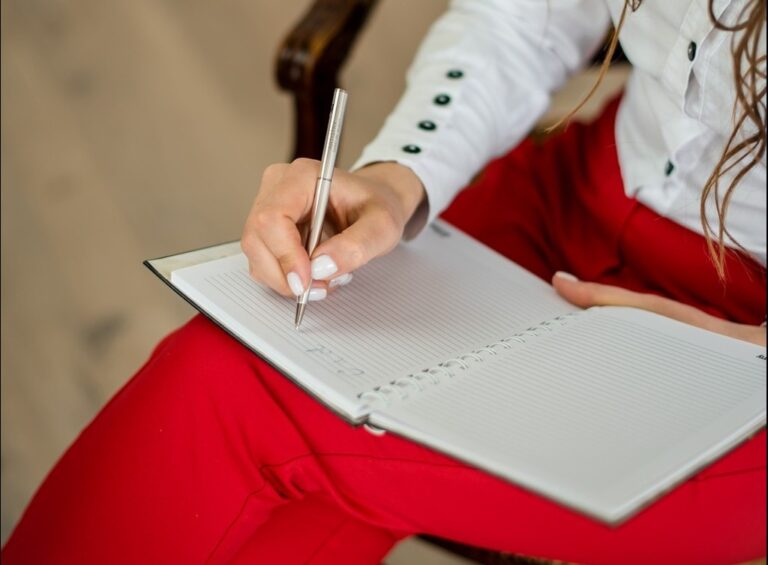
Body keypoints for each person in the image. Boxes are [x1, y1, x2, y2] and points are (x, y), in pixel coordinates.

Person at [3, 0, 766, 563]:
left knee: (244, 401)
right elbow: (519, 22)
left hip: (746, 355)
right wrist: (400, 177)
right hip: (571, 202)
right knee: (244, 368)